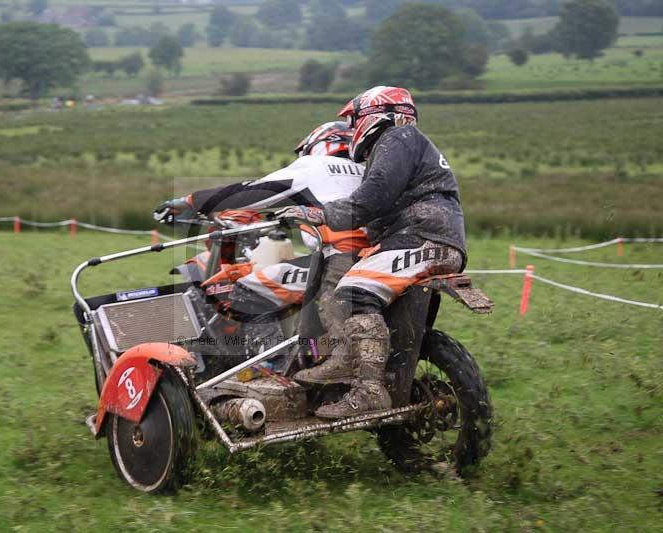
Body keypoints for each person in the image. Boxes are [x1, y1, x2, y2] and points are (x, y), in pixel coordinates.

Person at [277, 86, 467, 419]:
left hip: (421, 235)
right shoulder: (409, 144)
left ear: (376, 115)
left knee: (352, 294)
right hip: (435, 237)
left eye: (355, 120)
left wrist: (320, 213)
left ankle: (368, 389)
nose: (353, 130)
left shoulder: (397, 138)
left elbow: (373, 196)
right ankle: (342, 361)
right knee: (344, 293)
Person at [154, 122, 369, 363]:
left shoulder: (316, 166)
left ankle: (269, 364)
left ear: (318, 145)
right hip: (370, 259)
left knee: (248, 288)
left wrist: (192, 200)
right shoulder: (364, 172)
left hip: (337, 258)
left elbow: (254, 191)